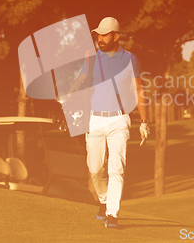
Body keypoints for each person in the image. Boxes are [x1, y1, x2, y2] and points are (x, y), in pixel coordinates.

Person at [66, 16, 150, 228]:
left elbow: (138, 90)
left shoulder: (130, 59)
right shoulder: (92, 59)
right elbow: (82, 79)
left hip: (120, 120)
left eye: (104, 35)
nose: (100, 39)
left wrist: (144, 121)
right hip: (95, 119)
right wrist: (69, 93)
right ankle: (104, 201)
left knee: (116, 168)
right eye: (98, 35)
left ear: (116, 36)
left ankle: (112, 213)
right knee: (94, 169)